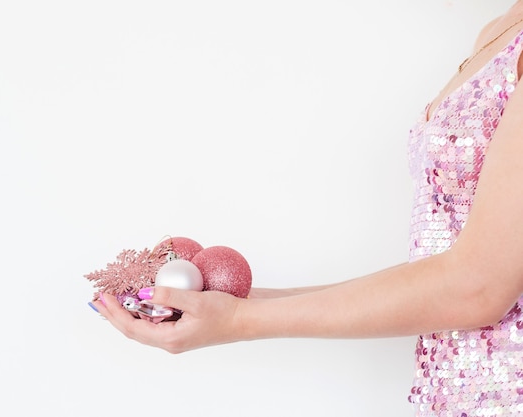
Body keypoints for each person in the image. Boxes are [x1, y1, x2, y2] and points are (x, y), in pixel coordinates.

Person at [91, 2, 523, 415]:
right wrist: (237, 301)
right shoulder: (499, 29)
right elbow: (453, 269)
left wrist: (241, 319)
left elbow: (476, 287)